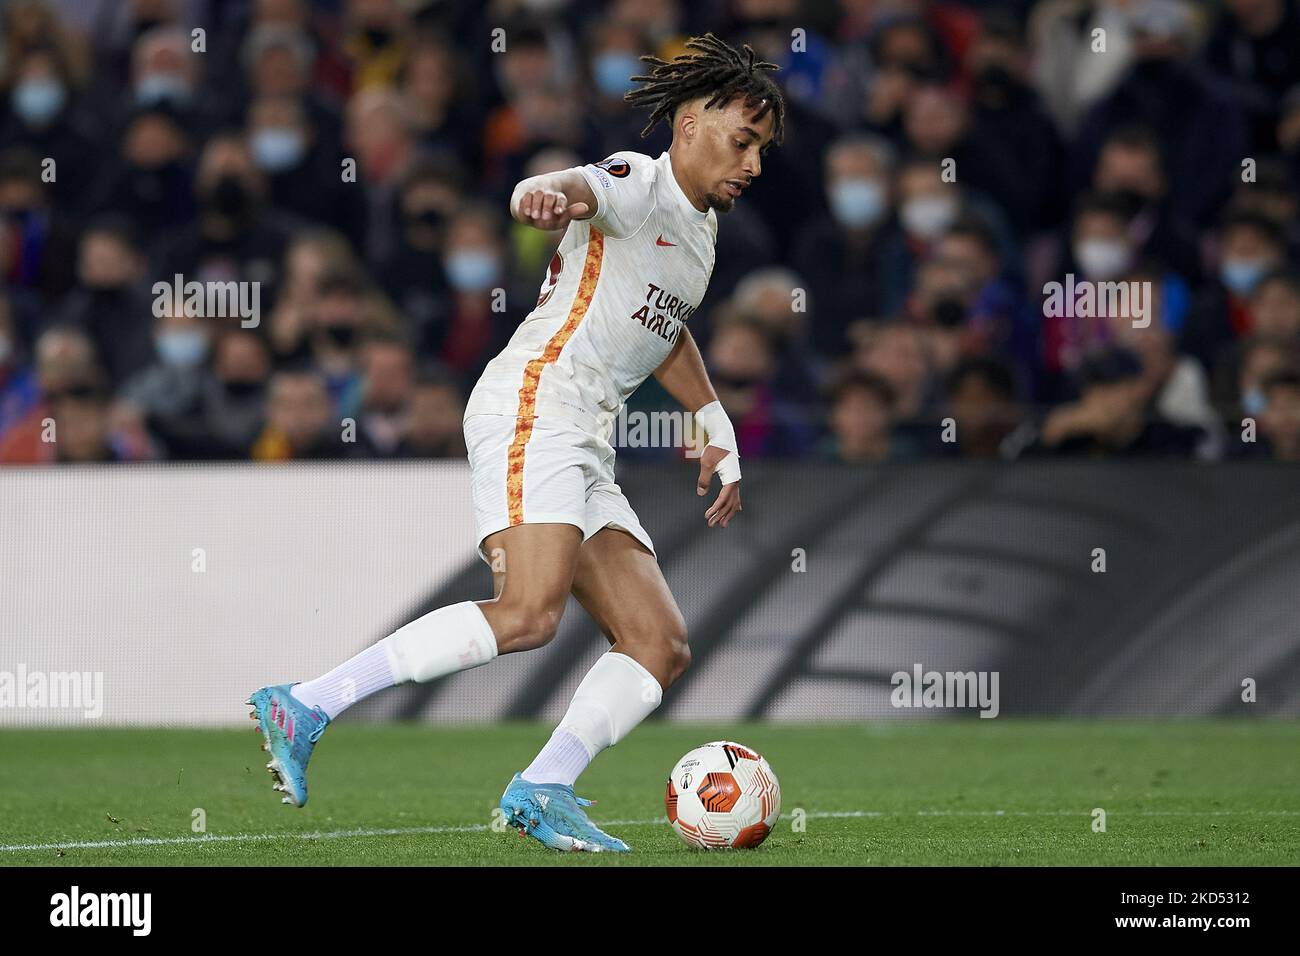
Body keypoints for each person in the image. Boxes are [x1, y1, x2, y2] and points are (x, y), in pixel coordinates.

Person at [246, 34, 784, 853]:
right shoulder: (640, 183)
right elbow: (576, 185)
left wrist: (714, 424)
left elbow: (665, 332)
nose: (751, 163)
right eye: (742, 141)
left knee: (658, 642)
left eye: (762, 150)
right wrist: (540, 188)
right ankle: (310, 702)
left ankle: (544, 785)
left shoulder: (701, 235)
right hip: (534, 405)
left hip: (584, 437)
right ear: (686, 125)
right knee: (528, 614)